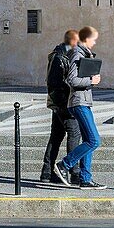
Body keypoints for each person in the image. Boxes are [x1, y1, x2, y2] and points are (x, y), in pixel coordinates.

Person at [54, 26, 105, 189]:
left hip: (84, 101)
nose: (95, 42)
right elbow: (72, 80)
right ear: (86, 39)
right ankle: (64, 165)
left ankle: (85, 178)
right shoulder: (77, 53)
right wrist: (92, 81)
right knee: (94, 140)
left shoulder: (83, 53)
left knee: (88, 140)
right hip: (78, 102)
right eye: (94, 39)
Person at [40, 29, 82, 185]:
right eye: (78, 41)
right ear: (71, 41)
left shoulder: (62, 55)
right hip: (63, 104)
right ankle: (73, 172)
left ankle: (46, 172)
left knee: (56, 136)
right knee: (74, 133)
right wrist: (65, 106)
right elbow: (55, 84)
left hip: (59, 103)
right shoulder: (59, 57)